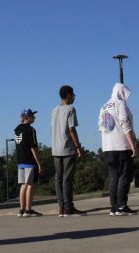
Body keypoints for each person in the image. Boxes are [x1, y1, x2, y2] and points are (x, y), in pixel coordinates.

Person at [99, 83, 138, 216]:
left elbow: (102, 128)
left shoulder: (103, 107)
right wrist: (133, 145)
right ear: (122, 93)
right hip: (122, 145)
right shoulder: (120, 104)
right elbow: (125, 124)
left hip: (108, 147)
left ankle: (114, 207)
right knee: (124, 176)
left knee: (114, 176)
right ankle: (122, 205)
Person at [51, 85, 85, 217]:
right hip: (67, 148)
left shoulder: (54, 110)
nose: (74, 97)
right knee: (67, 179)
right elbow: (72, 129)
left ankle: (61, 208)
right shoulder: (71, 109)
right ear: (69, 95)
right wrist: (78, 146)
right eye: (73, 95)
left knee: (58, 179)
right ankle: (69, 207)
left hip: (55, 148)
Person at [14, 109, 43, 217]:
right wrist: (38, 163)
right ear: (27, 117)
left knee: (23, 185)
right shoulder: (31, 130)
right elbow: (33, 147)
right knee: (30, 185)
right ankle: (28, 209)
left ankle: (21, 209)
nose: (34, 118)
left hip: (20, 161)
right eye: (32, 116)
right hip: (29, 161)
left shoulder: (17, 130)